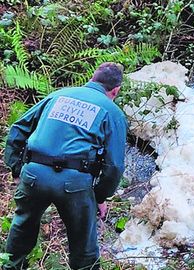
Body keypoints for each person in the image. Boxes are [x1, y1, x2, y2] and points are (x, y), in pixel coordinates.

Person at [3, 62, 128, 270]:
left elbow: (18, 129)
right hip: (74, 183)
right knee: (84, 248)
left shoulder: (57, 96)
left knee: (22, 229)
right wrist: (99, 196)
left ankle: (10, 266)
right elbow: (114, 166)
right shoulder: (112, 112)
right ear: (115, 90)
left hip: (34, 174)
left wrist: (17, 169)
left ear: (91, 78)